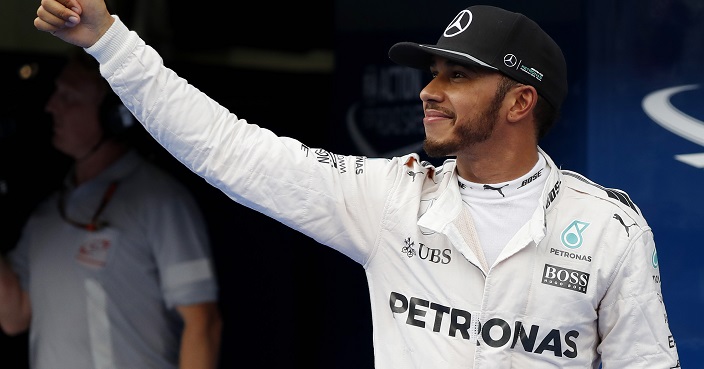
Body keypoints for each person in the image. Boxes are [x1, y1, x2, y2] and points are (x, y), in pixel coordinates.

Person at [34, 1, 681, 367]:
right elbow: (228, 149)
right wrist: (111, 44)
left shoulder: (609, 230)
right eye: (432, 72)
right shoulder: (390, 197)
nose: (427, 90)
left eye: (457, 76)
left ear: (519, 103)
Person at [0, 48, 222, 369]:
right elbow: (14, 316)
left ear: (114, 115)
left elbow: (203, 323)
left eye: (70, 97)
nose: (52, 107)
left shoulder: (158, 200)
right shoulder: (47, 216)